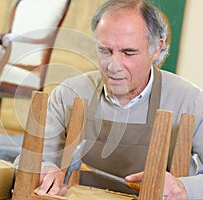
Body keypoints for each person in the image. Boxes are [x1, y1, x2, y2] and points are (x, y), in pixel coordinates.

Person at [14, 0, 203, 199]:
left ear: (156, 48)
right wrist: (45, 171)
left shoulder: (191, 101)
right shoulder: (68, 94)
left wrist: (184, 187)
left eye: (128, 52)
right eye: (105, 50)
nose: (113, 66)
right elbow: (29, 160)